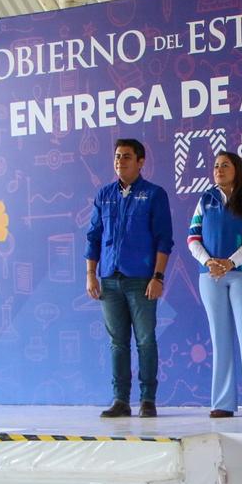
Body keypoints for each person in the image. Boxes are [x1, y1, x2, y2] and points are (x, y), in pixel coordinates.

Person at [85, 138, 174, 418]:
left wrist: (158, 276)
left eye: (126, 157)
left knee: (145, 341)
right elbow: (93, 237)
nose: (120, 161)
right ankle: (120, 400)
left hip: (141, 280)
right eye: (117, 157)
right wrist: (91, 275)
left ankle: (148, 399)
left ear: (140, 162)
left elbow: (164, 239)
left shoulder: (154, 194)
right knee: (117, 342)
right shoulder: (104, 195)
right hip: (109, 280)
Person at [188, 150, 242, 418]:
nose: (219, 169)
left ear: (237, 169)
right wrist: (209, 261)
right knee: (219, 337)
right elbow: (192, 237)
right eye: (216, 166)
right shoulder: (205, 199)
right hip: (210, 276)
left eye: (225, 165)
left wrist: (231, 262)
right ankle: (222, 403)